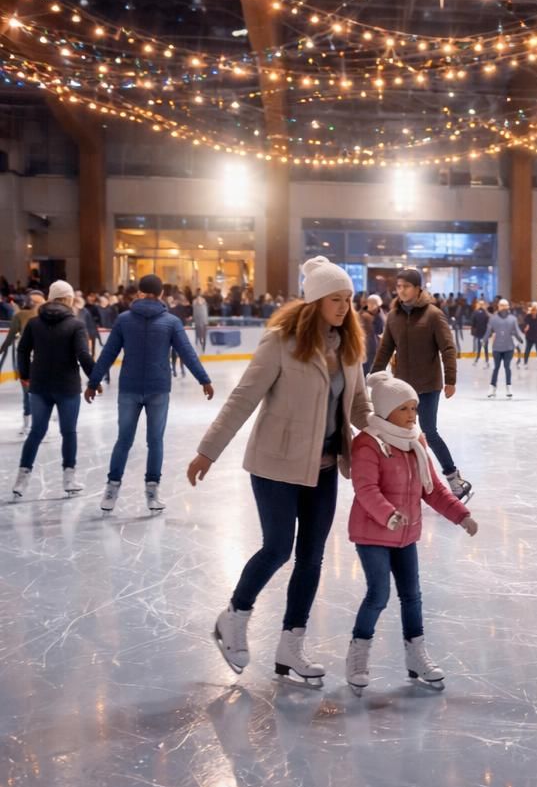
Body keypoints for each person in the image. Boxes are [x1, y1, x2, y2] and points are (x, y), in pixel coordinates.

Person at [190, 258, 372, 686]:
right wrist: (207, 452)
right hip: (275, 464)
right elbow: (242, 399)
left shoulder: (349, 349)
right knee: (277, 548)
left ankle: (291, 646)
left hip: (324, 467)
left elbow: (360, 407)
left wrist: (400, 432)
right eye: (336, 300)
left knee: (312, 558)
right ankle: (234, 616)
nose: (345, 307)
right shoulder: (281, 343)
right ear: (315, 301)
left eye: (348, 300)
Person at [344, 372, 478, 695]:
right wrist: (387, 515)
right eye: (404, 409)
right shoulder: (368, 442)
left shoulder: (416, 441)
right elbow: (365, 488)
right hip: (373, 533)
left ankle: (416, 653)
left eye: (414, 409)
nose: (412, 416)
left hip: (405, 535)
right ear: (386, 409)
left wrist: (461, 515)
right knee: (378, 594)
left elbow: (431, 489)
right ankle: (357, 654)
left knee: (412, 596)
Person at [87, 274, 214, 514]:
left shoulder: (124, 320)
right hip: (158, 389)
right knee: (155, 441)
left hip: (129, 389)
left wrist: (94, 381)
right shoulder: (171, 321)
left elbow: (108, 353)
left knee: (123, 440)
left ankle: (111, 491)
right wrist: (203, 379)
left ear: (138, 292)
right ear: (162, 294)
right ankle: (152, 492)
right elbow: (187, 353)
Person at [372, 268, 471, 502]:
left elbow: (447, 347)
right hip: (402, 388)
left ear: (418, 289)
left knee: (429, 432)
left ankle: (453, 477)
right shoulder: (394, 316)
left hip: (428, 385)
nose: (401, 290)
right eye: (399, 286)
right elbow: (386, 347)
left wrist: (451, 379)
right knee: (402, 434)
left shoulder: (433, 315)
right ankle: (406, 481)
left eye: (406, 286)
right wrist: (374, 376)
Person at [11, 281, 94, 500]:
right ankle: (69, 479)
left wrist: (26, 375)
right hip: (67, 387)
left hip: (39, 386)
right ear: (68, 299)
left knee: (37, 431)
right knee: (68, 432)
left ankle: (22, 480)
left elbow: (22, 349)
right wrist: (94, 379)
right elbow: (83, 356)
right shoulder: (76, 325)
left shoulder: (35, 323)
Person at [2, 290, 44, 435]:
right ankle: (33, 423)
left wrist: (1, 350)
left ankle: (29, 423)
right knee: (36, 392)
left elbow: (10, 338)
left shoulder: (21, 315)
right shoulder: (41, 316)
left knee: (29, 392)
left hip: (30, 358)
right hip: (37, 359)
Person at [486, 299, 522, 397]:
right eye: (501, 305)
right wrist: (484, 339)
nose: (503, 307)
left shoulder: (512, 319)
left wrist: (521, 339)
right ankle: (492, 388)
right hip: (497, 347)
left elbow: (517, 330)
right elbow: (489, 330)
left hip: (509, 347)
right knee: (496, 368)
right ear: (498, 306)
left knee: (507, 367)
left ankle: (508, 387)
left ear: (508, 307)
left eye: (505, 305)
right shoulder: (493, 319)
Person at [519, 301, 537, 368]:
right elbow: (523, 325)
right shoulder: (528, 317)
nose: (534, 312)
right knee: (527, 350)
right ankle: (525, 363)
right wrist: (525, 328)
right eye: (533, 310)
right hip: (529, 336)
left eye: (535, 310)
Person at [362, 294, 385, 372]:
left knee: (371, 369)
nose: (371, 306)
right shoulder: (363, 314)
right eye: (370, 303)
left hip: (373, 347)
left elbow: (380, 331)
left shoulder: (380, 317)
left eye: (373, 304)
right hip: (364, 346)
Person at [469, 299, 490, 367]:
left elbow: (489, 323)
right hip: (480, 332)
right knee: (480, 347)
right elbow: (473, 323)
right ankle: (479, 360)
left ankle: (485, 360)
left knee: (484, 347)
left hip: (483, 333)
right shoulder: (477, 312)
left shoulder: (485, 313)